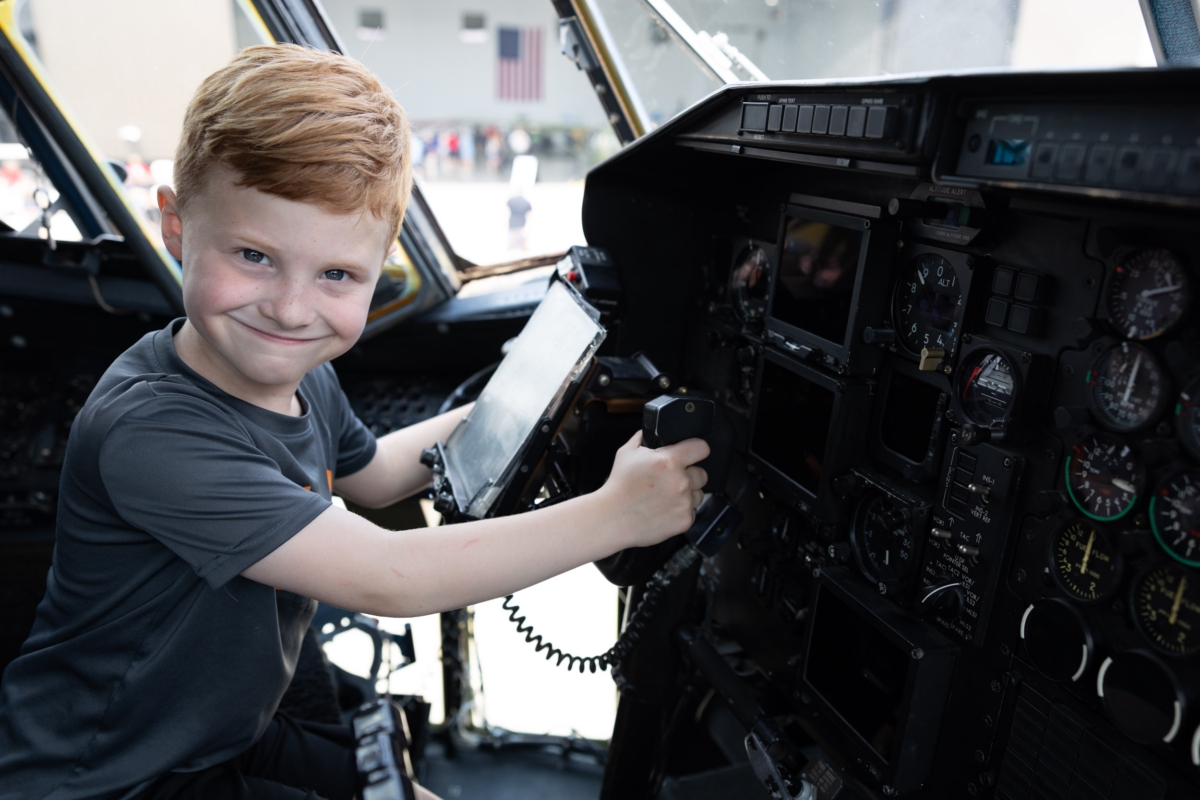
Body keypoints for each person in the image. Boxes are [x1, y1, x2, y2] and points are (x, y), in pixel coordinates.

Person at [0, 45, 708, 800]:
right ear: (176, 227)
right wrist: (615, 516)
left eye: (336, 274)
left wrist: (516, 403)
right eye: (253, 255)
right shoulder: (152, 429)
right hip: (106, 778)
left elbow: (375, 478)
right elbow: (389, 576)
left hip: (213, 734)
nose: (291, 308)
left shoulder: (302, 374)